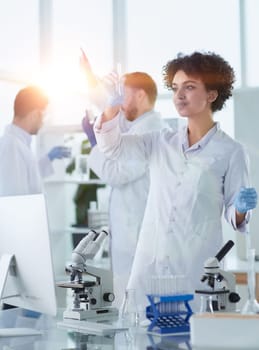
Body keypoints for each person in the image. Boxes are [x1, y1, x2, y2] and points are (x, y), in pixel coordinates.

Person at [93, 51, 258, 316]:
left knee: (192, 334)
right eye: (176, 87)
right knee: (139, 333)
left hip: (195, 270)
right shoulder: (160, 142)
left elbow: (235, 217)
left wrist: (239, 208)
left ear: (212, 94)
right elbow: (113, 149)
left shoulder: (231, 151)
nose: (179, 95)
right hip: (150, 267)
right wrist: (111, 108)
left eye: (189, 87)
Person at [81, 70, 169, 309]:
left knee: (137, 315)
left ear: (140, 96)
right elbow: (109, 110)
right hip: (129, 237)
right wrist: (90, 77)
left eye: (123, 95)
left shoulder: (150, 131)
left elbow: (117, 174)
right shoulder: (135, 124)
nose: (118, 102)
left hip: (139, 237)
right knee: (127, 309)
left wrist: (93, 144)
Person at [0, 85, 71, 196]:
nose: (43, 122)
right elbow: (14, 199)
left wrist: (48, 158)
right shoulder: (12, 146)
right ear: (34, 114)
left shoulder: (18, 144)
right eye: (44, 115)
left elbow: (29, 176)